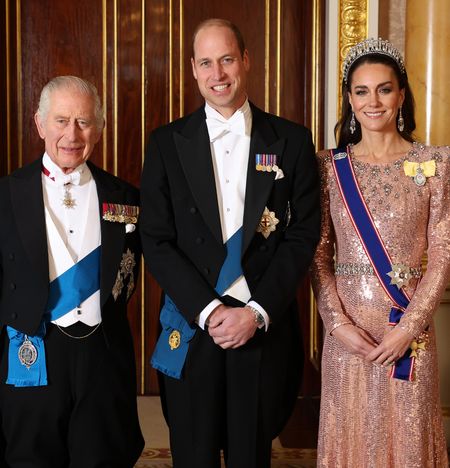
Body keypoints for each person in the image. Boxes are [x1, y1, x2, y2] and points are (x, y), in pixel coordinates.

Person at [140, 18, 320, 468]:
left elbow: (302, 235)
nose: (217, 74)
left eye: (226, 60)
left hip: (259, 324)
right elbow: (156, 239)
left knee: (251, 456)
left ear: (245, 61)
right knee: (193, 456)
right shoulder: (165, 143)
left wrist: (255, 312)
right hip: (194, 321)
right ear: (193, 70)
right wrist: (211, 311)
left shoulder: (292, 141)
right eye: (206, 63)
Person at [311, 38, 450, 467]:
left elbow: (444, 251)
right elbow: (318, 255)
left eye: (384, 89)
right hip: (349, 335)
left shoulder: (436, 162)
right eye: (361, 90)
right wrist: (336, 325)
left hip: (407, 332)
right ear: (349, 99)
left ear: (402, 94)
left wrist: (409, 327)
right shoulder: (328, 166)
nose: (373, 101)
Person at [0, 76, 144, 467]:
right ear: (39, 124)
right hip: (34, 350)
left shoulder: (126, 197)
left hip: (103, 354)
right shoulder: (7, 194)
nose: (72, 134)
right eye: (61, 121)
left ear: (99, 127)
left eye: (83, 121)